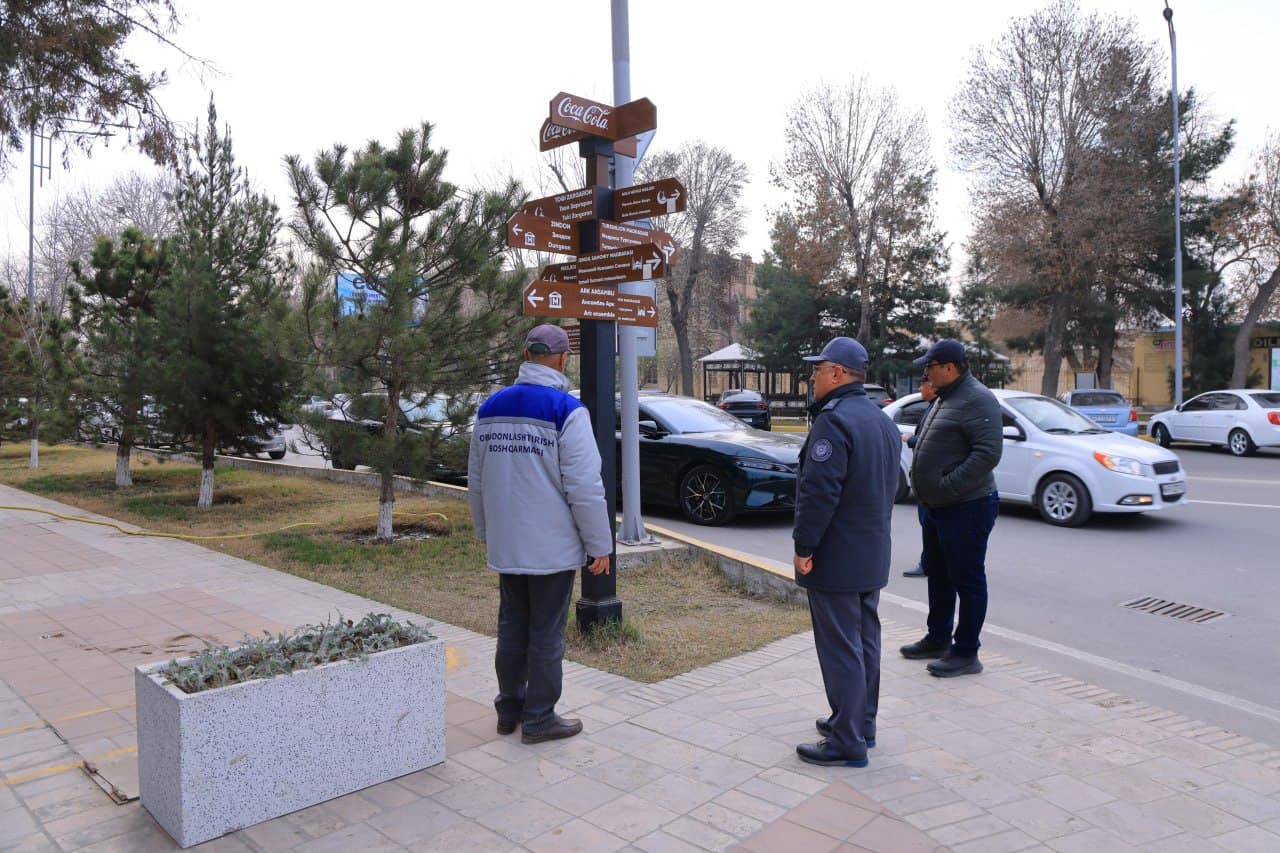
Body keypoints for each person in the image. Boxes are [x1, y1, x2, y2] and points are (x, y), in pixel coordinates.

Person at [468, 324, 613, 743]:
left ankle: (508, 710)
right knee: (546, 633)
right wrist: (600, 545)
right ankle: (539, 719)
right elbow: (585, 487)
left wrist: (485, 530)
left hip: (508, 544)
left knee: (512, 626)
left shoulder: (490, 408)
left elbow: (476, 479)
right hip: (552, 549)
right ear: (564, 359)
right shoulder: (567, 410)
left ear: (525, 355)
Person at [792, 336, 903, 767]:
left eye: (817, 370)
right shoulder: (880, 420)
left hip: (836, 555)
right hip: (872, 551)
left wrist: (805, 545)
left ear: (837, 373)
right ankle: (860, 723)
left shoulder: (833, 421)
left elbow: (819, 493)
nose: (812, 378)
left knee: (840, 645)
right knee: (864, 641)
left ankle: (847, 740)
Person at [900, 339, 1003, 677]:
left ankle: (966, 652)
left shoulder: (977, 398)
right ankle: (938, 638)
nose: (925, 374)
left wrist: (947, 486)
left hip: (966, 505)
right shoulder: (946, 397)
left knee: (967, 579)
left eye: (929, 367)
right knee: (939, 575)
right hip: (938, 506)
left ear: (949, 368)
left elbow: (987, 453)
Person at [902, 377, 938, 578]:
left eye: (922, 384)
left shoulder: (936, 409)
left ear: (931, 386)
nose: (919, 388)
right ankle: (930, 562)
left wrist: (910, 439)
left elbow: (929, 442)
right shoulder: (931, 407)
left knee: (929, 524)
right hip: (926, 479)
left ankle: (928, 564)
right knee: (928, 524)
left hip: (931, 481)